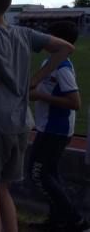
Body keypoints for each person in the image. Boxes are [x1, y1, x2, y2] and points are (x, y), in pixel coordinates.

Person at [0, 0, 74, 232]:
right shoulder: (24, 34)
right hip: (22, 124)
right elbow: (65, 48)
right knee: (3, 191)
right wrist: (35, 79)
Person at [28, 21, 89, 231]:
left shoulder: (62, 68)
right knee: (50, 175)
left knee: (37, 174)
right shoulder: (51, 62)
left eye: (50, 35)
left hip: (57, 130)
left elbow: (75, 103)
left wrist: (40, 95)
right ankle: (57, 221)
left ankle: (77, 221)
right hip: (49, 128)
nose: (46, 39)